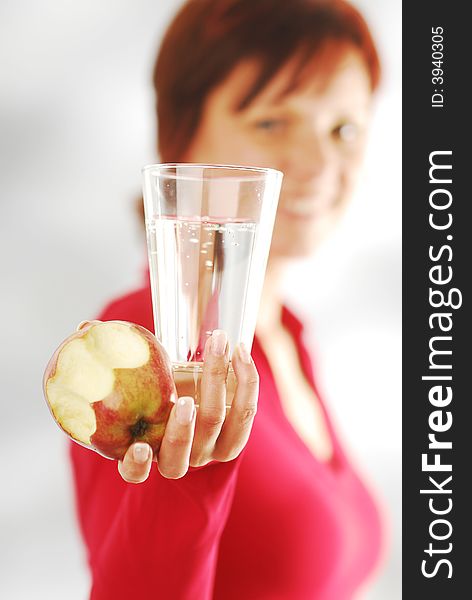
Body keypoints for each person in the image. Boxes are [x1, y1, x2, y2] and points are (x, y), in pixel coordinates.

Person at [69, 0, 384, 598]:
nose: (318, 164)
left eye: (343, 129)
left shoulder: (288, 337)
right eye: (272, 122)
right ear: (181, 136)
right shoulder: (147, 345)